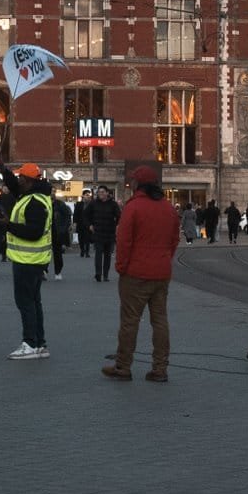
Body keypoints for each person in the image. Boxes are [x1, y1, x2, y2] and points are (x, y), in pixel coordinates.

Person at [102, 162, 180, 382]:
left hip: (135, 273)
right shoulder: (168, 208)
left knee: (130, 321)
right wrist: (165, 259)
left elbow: (124, 241)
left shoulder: (133, 207)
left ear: (138, 184)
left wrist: (121, 267)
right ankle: (160, 368)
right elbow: (174, 240)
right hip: (161, 273)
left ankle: (123, 366)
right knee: (160, 320)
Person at [0, 158, 52, 360]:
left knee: (25, 303)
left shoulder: (34, 202)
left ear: (28, 180)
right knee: (34, 302)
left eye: (21, 176)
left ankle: (30, 343)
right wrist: (3, 169)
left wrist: (8, 224)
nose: (18, 179)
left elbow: (34, 232)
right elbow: (12, 186)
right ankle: (39, 343)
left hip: (27, 259)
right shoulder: (35, 195)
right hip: (35, 259)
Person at [88, 182, 120, 282]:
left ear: (107, 193)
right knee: (98, 254)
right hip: (98, 232)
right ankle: (98, 273)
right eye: (99, 192)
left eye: (102, 192)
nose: (100, 194)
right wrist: (89, 225)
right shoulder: (93, 203)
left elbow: (119, 216)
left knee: (107, 255)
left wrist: (117, 226)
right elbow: (85, 215)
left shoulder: (113, 204)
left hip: (109, 233)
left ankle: (105, 275)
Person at [50, 192, 71, 279]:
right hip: (45, 232)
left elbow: (67, 215)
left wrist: (64, 228)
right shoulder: (42, 203)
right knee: (44, 252)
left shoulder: (60, 204)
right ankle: (44, 270)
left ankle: (58, 272)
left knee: (57, 253)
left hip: (57, 231)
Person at [75, 195, 93, 260]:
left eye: (88, 197)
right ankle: (82, 250)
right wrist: (75, 222)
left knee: (87, 239)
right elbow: (75, 213)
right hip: (80, 224)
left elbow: (92, 214)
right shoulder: (79, 204)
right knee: (80, 238)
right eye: (85, 197)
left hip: (88, 224)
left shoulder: (91, 205)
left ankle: (87, 252)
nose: (86, 198)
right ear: (83, 198)